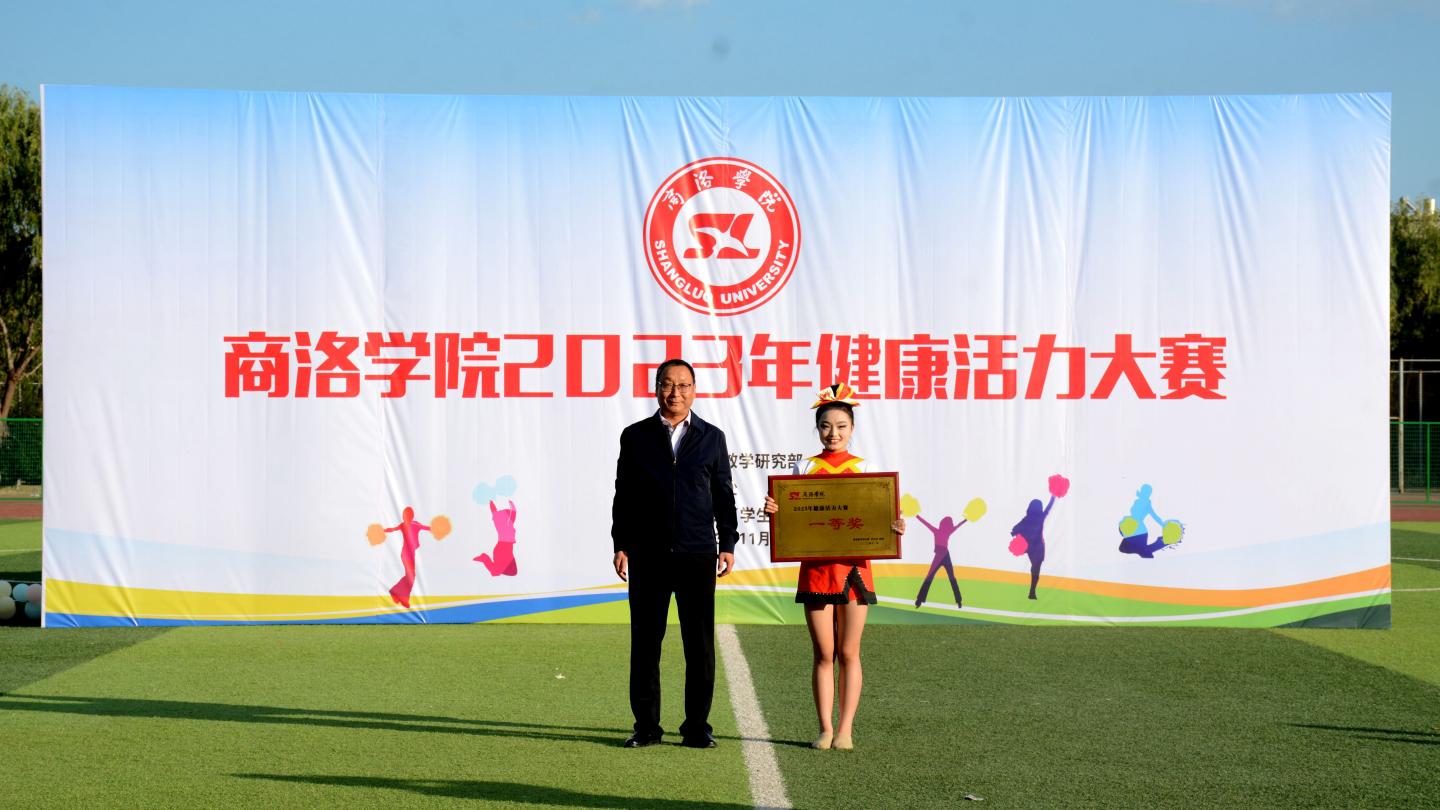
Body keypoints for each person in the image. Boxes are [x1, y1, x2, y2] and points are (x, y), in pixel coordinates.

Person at [763, 382, 905, 751]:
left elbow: (880, 518)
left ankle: (846, 730)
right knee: (824, 653)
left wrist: (893, 526)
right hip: (816, 570)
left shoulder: (867, 469)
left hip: (855, 570)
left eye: (841, 426)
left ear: (852, 428)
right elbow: (792, 520)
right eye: (826, 426)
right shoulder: (804, 467)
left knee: (849, 652)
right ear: (817, 428)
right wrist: (776, 511)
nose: (833, 433)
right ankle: (825, 728)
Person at [611, 358, 738, 749]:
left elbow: (723, 493)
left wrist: (728, 543)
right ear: (656, 389)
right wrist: (621, 543)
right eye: (667, 384)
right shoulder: (636, 436)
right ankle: (646, 727)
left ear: (694, 390)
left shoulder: (712, 437)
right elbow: (624, 495)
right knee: (646, 644)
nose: (675, 393)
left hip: (696, 552)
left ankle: (697, 727)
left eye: (683, 385)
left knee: (698, 646)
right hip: (647, 554)